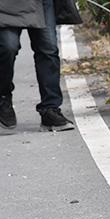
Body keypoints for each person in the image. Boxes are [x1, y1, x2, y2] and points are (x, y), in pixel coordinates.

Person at [0, 0, 82, 131]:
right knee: (7, 47)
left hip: (41, 3)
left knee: (48, 49)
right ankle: (3, 98)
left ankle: (50, 109)